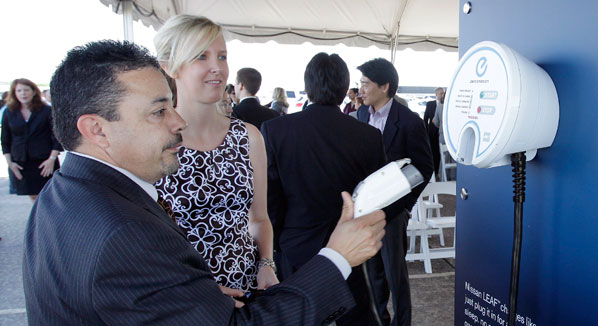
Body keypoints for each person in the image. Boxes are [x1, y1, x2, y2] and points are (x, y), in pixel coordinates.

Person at [22, 39, 387, 325]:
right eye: (158, 110)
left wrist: (196, 301)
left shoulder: (62, 192)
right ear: (96, 129)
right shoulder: (125, 232)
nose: (176, 122)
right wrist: (338, 256)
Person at [261, 52, 395, 325]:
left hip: (296, 246)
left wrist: (275, 249)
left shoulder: (276, 130)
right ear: (346, 89)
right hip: (350, 247)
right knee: (353, 316)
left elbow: (271, 199)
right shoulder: (368, 135)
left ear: (307, 87)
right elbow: (377, 196)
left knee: (299, 316)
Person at [153, 15, 278, 292]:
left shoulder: (248, 137)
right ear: (170, 67)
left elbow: (259, 218)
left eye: (221, 56)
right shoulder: (157, 141)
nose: (216, 68)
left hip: (246, 291)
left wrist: (266, 264)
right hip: (181, 297)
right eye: (201, 56)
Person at [357, 58, 434, 326]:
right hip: (366, 211)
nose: (361, 89)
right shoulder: (362, 115)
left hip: (393, 213)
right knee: (373, 274)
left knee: (395, 275)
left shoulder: (409, 121)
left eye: (365, 84)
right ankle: (380, 320)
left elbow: (425, 167)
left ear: (384, 85)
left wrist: (404, 206)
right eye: (360, 83)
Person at [1, 78, 61, 201]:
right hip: (21, 163)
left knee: (48, 196)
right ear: (14, 93)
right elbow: (5, 139)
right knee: (33, 196)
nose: (23, 93)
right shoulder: (9, 112)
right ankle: (39, 220)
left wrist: (52, 159)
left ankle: (46, 219)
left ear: (34, 92)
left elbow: (56, 136)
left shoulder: (46, 111)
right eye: (19, 90)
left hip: (44, 162)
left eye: (26, 90)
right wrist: (10, 163)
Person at [424, 87, 445, 177]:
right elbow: (425, 119)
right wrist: (425, 132)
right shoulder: (430, 104)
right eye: (440, 93)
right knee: (433, 152)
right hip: (432, 133)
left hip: (442, 134)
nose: (442, 95)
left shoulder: (446, 105)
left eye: (443, 93)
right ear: (436, 94)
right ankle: (434, 171)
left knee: (442, 153)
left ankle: (440, 172)